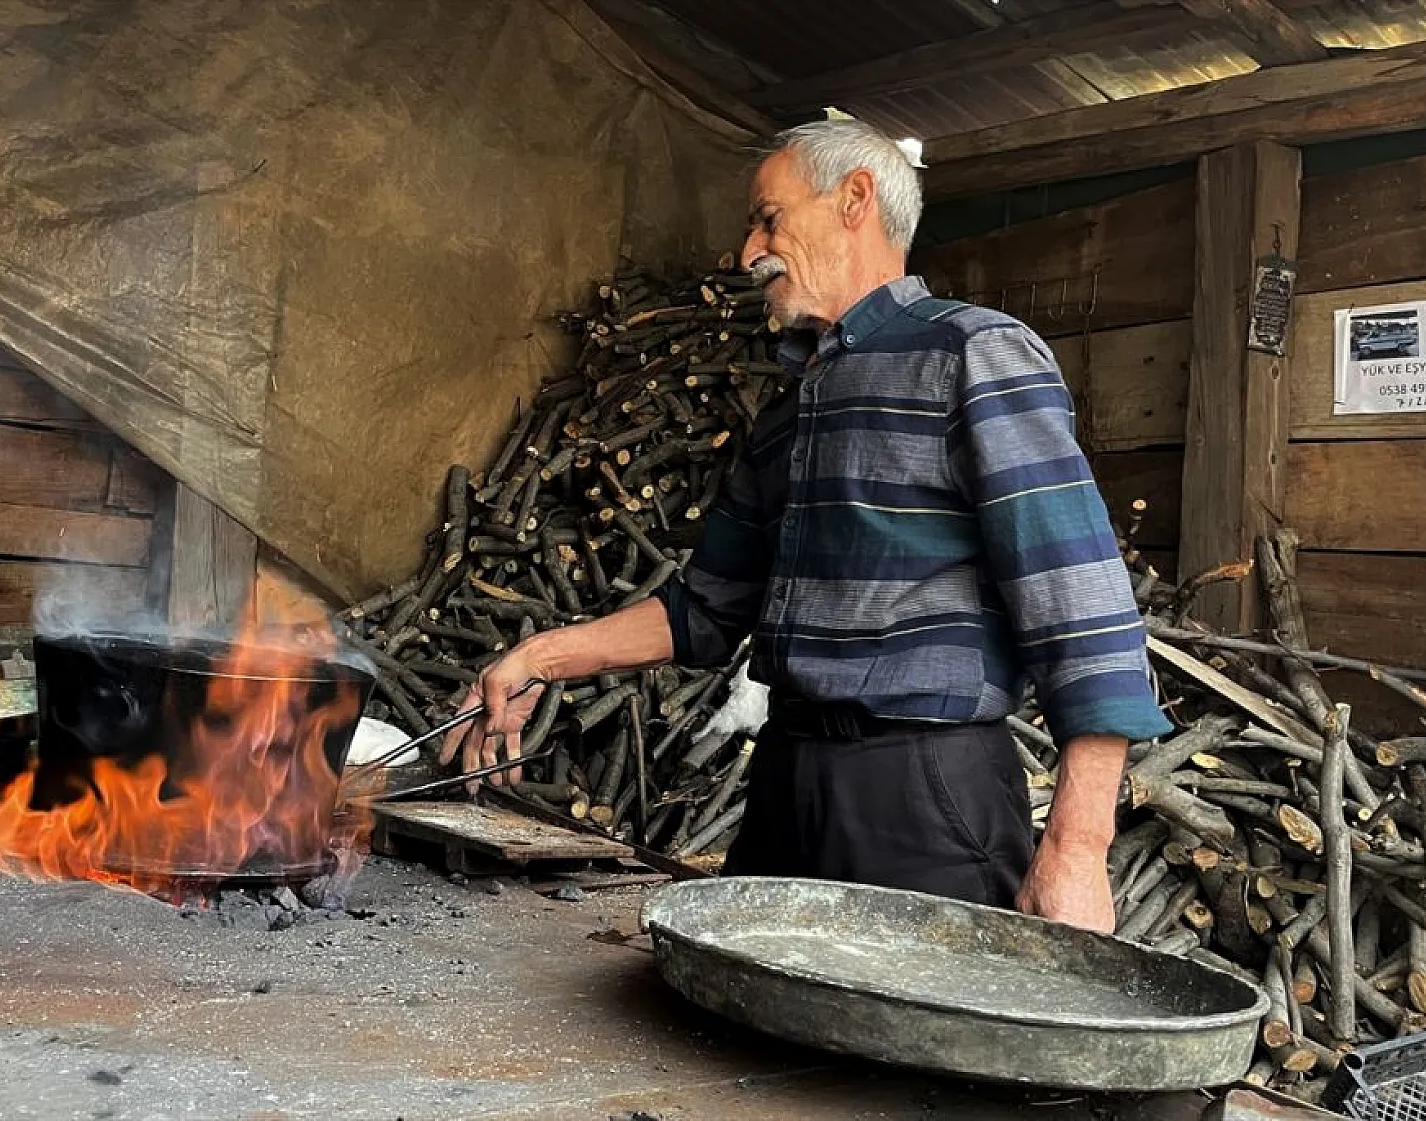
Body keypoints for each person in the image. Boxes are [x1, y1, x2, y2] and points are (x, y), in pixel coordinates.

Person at [441, 119, 1170, 933]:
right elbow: (706, 609)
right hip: (787, 779)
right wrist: (542, 657)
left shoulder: (973, 354)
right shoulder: (792, 408)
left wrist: (1077, 845)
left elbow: (1084, 608)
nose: (749, 250)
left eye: (768, 217)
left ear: (855, 197)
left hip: (922, 793)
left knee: (909, 1053)